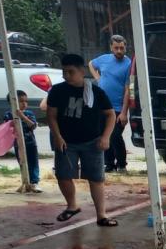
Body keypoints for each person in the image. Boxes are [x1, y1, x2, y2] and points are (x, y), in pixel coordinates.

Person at [47, 54, 117, 226]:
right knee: (63, 175)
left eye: (71, 72)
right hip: (66, 141)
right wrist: (57, 136)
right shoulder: (57, 91)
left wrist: (106, 137)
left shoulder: (96, 92)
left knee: (96, 178)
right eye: (64, 72)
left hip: (92, 141)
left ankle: (102, 215)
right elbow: (51, 116)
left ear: (81, 71)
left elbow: (110, 115)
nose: (66, 76)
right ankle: (72, 206)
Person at [89, 35, 132, 173]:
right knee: (104, 135)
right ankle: (109, 164)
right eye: (116, 48)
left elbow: (127, 89)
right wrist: (97, 78)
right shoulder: (104, 59)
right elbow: (91, 64)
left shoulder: (129, 64)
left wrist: (124, 112)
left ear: (125, 47)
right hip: (102, 106)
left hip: (118, 107)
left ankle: (121, 164)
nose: (119, 51)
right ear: (111, 48)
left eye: (121, 48)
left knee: (115, 135)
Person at [4, 89, 42, 193]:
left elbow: (33, 126)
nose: (24, 104)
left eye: (26, 101)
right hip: (18, 144)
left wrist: (22, 116)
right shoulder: (8, 114)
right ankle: (25, 181)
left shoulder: (29, 113)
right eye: (21, 101)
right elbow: (7, 128)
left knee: (33, 163)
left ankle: (34, 182)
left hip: (30, 143)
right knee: (22, 163)